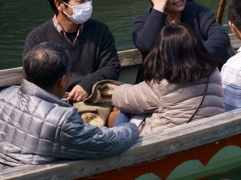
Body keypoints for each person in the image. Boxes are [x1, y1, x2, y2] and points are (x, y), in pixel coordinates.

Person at [0, 43, 138, 167]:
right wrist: (131, 126)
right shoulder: (61, 119)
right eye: (70, 74)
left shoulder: (5, 95)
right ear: (62, 80)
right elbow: (109, 143)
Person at [23, 0, 119, 103]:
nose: (88, 4)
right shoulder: (37, 38)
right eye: (81, 0)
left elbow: (112, 66)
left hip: (95, 99)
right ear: (59, 4)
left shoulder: (100, 30)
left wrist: (87, 84)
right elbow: (32, 84)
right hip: (55, 105)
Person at [112, 23, 225, 136]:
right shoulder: (213, 72)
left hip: (167, 144)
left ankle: (116, 146)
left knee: (127, 109)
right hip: (210, 136)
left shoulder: (162, 84)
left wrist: (119, 88)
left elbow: (120, 98)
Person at [133, 0, 232, 70]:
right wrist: (158, 7)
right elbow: (146, 47)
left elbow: (221, 38)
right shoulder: (143, 21)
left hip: (200, 73)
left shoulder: (197, 11)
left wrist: (192, 58)